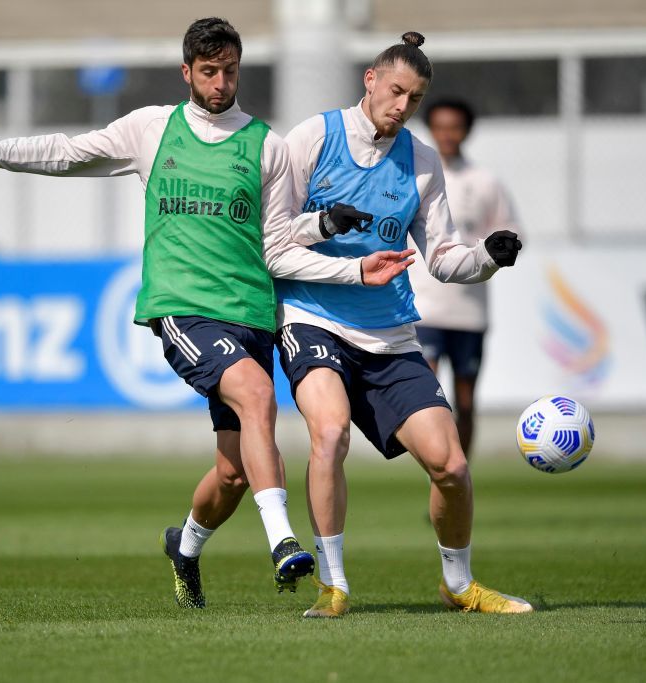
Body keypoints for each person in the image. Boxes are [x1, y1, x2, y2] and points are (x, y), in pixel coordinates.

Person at [0, 17, 414, 610]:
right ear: (187, 72)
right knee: (258, 397)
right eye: (208, 72)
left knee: (232, 475)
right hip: (184, 308)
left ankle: (186, 545)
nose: (220, 83)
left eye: (229, 71)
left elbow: (276, 239)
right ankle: (283, 543)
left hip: (250, 314)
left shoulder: (266, 144)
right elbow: (66, 153)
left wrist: (326, 229)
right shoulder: (153, 129)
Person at [275, 31, 529, 618]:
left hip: (390, 332)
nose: (401, 107)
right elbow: (275, 235)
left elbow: (441, 258)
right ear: (369, 79)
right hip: (313, 316)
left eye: (412, 99)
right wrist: (324, 225)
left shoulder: (420, 161)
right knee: (330, 433)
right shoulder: (313, 137)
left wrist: (487, 255)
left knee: (452, 465)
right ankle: (333, 585)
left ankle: (459, 585)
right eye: (394, 91)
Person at [410, 98, 521, 460]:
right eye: (440, 126)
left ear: (466, 131)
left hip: (469, 312)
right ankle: (440, 478)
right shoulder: (417, 176)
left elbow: (511, 232)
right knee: (428, 402)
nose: (447, 134)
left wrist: (500, 247)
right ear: (431, 129)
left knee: (467, 403)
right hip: (425, 309)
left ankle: (460, 478)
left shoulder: (484, 182)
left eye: (454, 127)